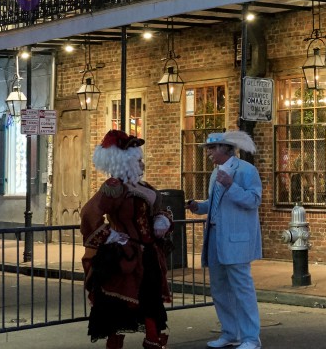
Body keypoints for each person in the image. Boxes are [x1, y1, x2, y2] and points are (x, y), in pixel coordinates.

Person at [80, 129, 174, 349]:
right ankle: (116, 344)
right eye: (138, 161)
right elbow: (88, 214)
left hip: (149, 254)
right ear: (125, 163)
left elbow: (158, 210)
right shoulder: (114, 188)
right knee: (121, 304)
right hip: (124, 256)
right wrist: (109, 234)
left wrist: (162, 220)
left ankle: (153, 340)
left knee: (150, 300)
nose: (142, 165)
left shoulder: (144, 188)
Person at [187, 131, 263, 349]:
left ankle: (251, 338)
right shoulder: (215, 173)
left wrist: (231, 185)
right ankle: (230, 333)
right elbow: (215, 203)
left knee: (242, 289)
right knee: (219, 288)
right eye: (209, 149)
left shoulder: (247, 170)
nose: (209, 152)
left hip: (236, 239)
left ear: (226, 148)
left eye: (212, 148)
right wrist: (198, 207)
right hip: (215, 238)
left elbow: (254, 200)